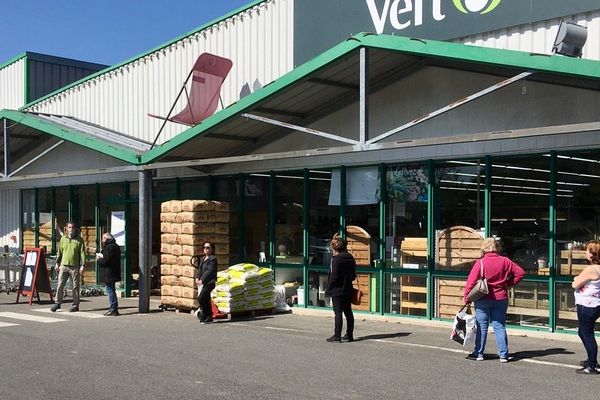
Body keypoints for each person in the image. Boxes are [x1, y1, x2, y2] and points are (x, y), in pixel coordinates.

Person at [463, 237, 525, 362]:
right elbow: (521, 273)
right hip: (501, 298)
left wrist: (467, 298)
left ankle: (479, 353)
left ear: (484, 248)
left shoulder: (480, 263)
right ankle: (503, 355)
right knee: (499, 326)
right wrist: (508, 283)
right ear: (497, 248)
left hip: (482, 298)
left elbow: (471, 282)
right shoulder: (505, 261)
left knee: (482, 326)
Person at [571, 240, 600, 375]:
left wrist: (577, 279)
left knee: (587, 334)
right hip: (595, 304)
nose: (585, 252)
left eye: (587, 250)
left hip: (586, 305)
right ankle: (591, 359)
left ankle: (592, 365)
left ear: (592, 254)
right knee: (582, 332)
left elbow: (575, 284)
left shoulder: (591, 269)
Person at [325, 233, 357, 343]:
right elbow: (353, 276)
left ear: (334, 248)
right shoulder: (350, 258)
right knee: (348, 312)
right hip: (348, 288)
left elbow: (333, 277)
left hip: (337, 290)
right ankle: (349, 334)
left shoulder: (336, 260)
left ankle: (337, 335)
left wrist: (328, 289)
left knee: (338, 313)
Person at [51, 221, 86, 312]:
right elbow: (60, 252)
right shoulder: (63, 239)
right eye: (69, 227)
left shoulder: (79, 240)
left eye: (73, 228)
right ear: (66, 229)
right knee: (60, 285)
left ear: (75, 229)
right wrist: (57, 263)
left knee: (75, 286)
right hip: (64, 265)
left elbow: (82, 254)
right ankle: (57, 304)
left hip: (75, 266)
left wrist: (82, 265)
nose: (71, 229)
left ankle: (75, 305)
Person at [96, 233, 122, 316]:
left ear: (106, 239)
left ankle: (113, 308)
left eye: (103, 238)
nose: (102, 240)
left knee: (110, 290)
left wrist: (99, 259)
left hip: (109, 273)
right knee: (111, 290)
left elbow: (105, 261)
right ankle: (114, 308)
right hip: (113, 272)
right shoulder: (115, 246)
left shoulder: (109, 247)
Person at [195, 241, 218, 324]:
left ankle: (204, 315)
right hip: (204, 283)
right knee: (206, 299)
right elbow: (200, 270)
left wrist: (202, 280)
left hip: (210, 282)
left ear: (212, 249)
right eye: (204, 247)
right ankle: (209, 317)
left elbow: (210, 271)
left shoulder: (213, 259)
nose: (205, 249)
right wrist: (197, 277)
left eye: (208, 248)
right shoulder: (203, 259)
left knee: (201, 298)